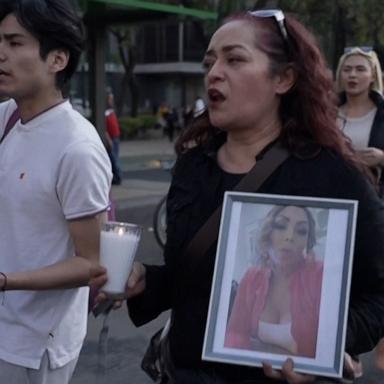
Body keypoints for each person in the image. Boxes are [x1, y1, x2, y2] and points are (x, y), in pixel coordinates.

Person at [121, 9, 384, 383]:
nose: (214, 72)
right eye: (209, 62)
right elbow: (191, 281)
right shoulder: (194, 165)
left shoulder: (333, 175)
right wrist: (143, 278)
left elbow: (377, 297)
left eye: (234, 59)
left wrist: (324, 347)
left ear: (284, 78)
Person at [0, 1, 112, 383]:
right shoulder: (7, 118)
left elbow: (92, 262)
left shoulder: (77, 147)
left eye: (15, 43)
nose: (2, 53)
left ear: (57, 59)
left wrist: (5, 281)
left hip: (33, 346)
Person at [225, 205, 322, 358]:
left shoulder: (319, 274)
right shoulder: (251, 277)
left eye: (301, 231)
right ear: (268, 233)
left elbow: (325, 346)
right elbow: (235, 334)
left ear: (307, 242)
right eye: (281, 226)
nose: (290, 236)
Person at [336, 47, 384, 197]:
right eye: (347, 69)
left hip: (374, 199)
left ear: (373, 76)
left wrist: (382, 158)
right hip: (333, 195)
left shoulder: (381, 113)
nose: (352, 75)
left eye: (360, 69)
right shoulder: (325, 113)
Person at [105, 92, 122, 185]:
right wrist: (109, 140)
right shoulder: (105, 112)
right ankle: (117, 176)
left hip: (116, 137)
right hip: (112, 138)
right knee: (114, 158)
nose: (111, 101)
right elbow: (104, 128)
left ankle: (117, 175)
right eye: (110, 99)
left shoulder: (111, 111)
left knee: (115, 157)